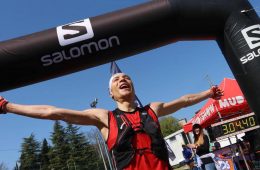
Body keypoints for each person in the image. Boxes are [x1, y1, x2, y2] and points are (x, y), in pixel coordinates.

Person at [0, 73, 223, 170]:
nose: (122, 79)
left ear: (134, 88)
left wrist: (208, 93)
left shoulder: (153, 109)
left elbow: (184, 101)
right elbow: (53, 112)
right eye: (116, 79)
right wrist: (6, 106)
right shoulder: (104, 118)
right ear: (111, 94)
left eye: (126, 77)